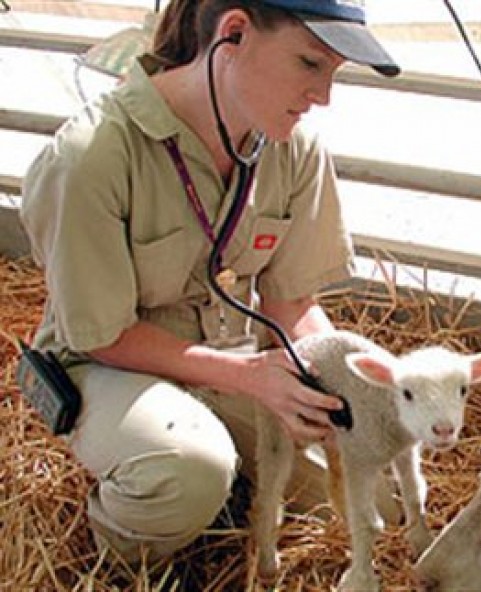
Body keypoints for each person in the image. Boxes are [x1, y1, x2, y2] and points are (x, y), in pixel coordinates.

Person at [19, 0, 399, 566]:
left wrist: (350, 376)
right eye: (309, 64)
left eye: (335, 73)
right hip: (110, 365)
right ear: (235, 33)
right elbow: (103, 335)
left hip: (232, 363)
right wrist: (251, 376)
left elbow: (291, 302)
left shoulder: (293, 148)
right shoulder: (91, 157)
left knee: (375, 493)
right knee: (187, 471)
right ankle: (115, 558)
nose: (323, 97)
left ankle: (219, 485)